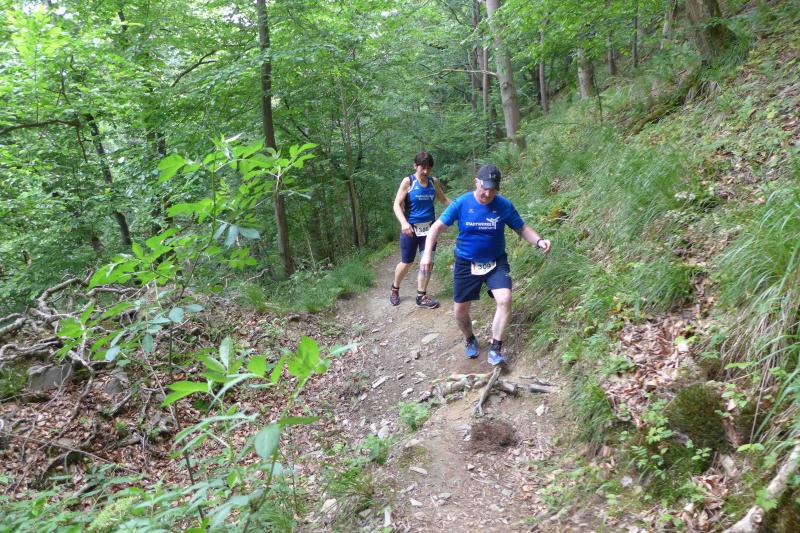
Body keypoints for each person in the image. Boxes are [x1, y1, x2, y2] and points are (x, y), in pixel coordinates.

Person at [420, 164, 551, 365]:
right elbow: (435, 228)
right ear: (476, 182)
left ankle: (496, 348)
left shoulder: (504, 205)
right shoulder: (462, 203)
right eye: (485, 188)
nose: (488, 193)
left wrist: (539, 241)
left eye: (493, 189)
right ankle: (470, 338)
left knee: (505, 299)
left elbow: (522, 228)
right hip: (466, 262)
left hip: (496, 261)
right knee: (460, 310)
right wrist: (427, 255)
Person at [390, 151, 451, 308]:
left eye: (428, 168)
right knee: (407, 262)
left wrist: (461, 208)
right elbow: (397, 204)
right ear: (415, 166)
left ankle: (421, 296)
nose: (425, 171)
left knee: (427, 261)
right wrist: (404, 223)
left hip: (429, 230)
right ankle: (395, 288)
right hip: (410, 230)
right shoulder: (408, 182)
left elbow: (444, 200)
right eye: (422, 167)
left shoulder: (433, 182)